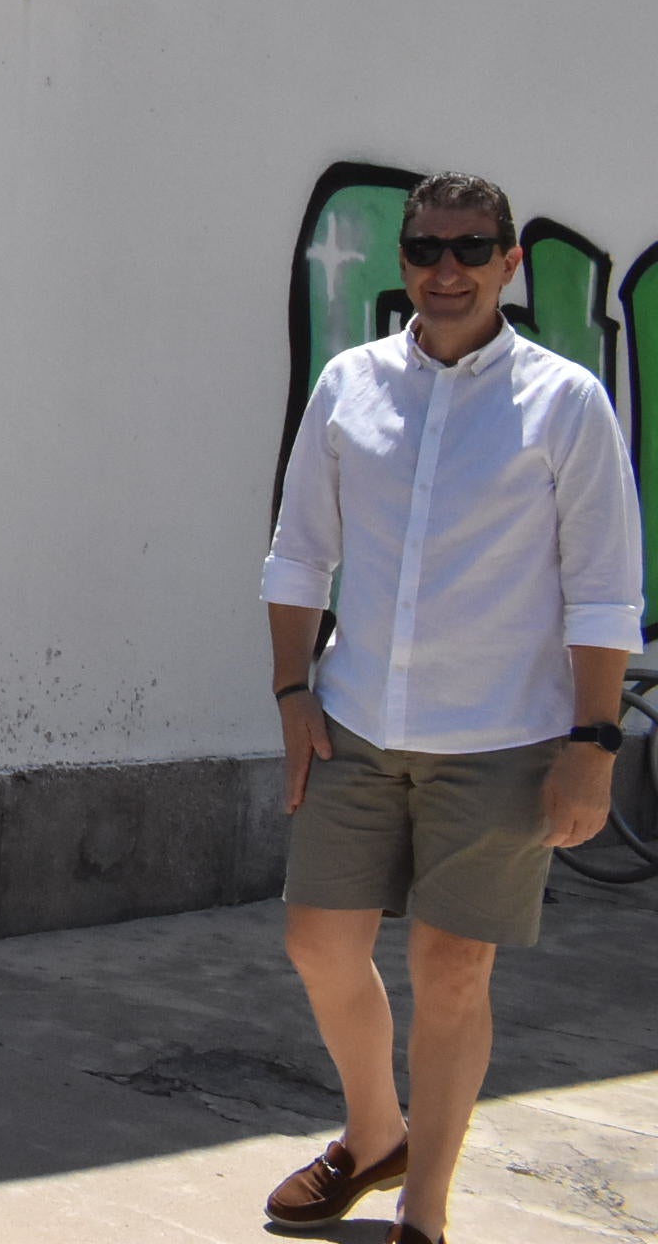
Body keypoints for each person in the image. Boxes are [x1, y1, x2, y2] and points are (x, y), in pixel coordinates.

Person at [259, 173, 644, 1244]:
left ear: (508, 262)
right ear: (403, 257)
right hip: (355, 718)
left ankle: (421, 1206)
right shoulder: (350, 383)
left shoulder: (564, 401)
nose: (447, 267)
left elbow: (604, 586)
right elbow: (297, 551)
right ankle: (375, 1128)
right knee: (317, 944)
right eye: (428, 245)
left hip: (503, 739)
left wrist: (594, 742)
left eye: (472, 247)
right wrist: (291, 691)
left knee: (451, 968)